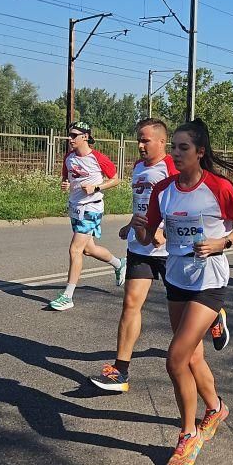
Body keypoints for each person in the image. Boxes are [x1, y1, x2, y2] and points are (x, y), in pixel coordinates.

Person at [133, 119, 233, 465]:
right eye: (173, 147)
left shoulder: (218, 187)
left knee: (175, 359)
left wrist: (222, 242)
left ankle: (188, 434)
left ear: (200, 152)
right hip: (177, 277)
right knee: (192, 357)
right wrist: (141, 230)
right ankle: (216, 408)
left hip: (210, 279)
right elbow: (150, 239)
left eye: (183, 148)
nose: (176, 153)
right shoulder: (164, 190)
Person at [90, 118, 180, 392]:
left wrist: (165, 232)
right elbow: (141, 204)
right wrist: (130, 224)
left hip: (168, 249)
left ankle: (213, 315)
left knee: (183, 312)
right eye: (138, 140)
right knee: (130, 304)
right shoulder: (138, 167)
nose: (140, 145)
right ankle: (121, 371)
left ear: (162, 142)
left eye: (145, 140)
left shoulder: (172, 167)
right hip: (140, 246)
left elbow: (182, 204)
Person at [52, 121, 125, 311]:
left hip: (92, 208)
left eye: (74, 135)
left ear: (85, 137)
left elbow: (116, 180)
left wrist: (96, 187)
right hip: (75, 207)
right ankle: (119, 264)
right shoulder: (69, 157)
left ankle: (67, 296)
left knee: (75, 249)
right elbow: (66, 178)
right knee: (88, 249)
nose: (70, 139)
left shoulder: (98, 158)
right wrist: (65, 184)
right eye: (69, 135)